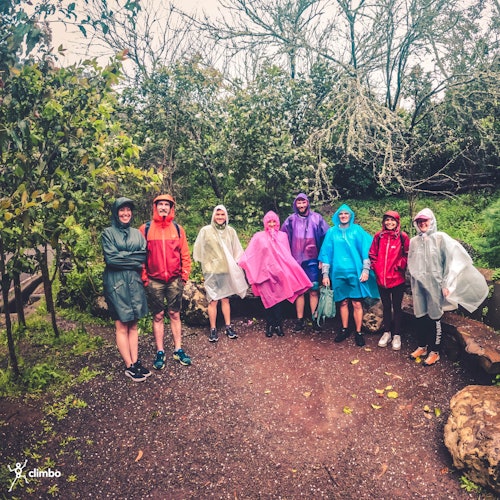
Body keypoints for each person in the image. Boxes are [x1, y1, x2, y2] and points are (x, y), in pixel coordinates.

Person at [407, 208, 489, 366]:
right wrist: (414, 279)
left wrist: (447, 284)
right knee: (420, 316)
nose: (422, 223)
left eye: (425, 220)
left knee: (435, 317)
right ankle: (422, 346)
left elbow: (451, 262)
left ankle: (435, 351)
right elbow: (411, 262)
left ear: (431, 221)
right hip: (418, 286)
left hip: (435, 285)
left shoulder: (440, 238)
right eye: (419, 221)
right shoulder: (414, 241)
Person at [238, 211, 312, 337]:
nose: (272, 224)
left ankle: (278, 325)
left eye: (274, 221)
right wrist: (244, 262)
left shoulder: (283, 236)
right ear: (265, 223)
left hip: (278, 274)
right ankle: (269, 324)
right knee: (267, 299)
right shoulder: (259, 237)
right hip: (264, 274)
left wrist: (288, 271)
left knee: (278, 300)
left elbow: (287, 255)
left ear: (278, 222)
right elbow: (252, 253)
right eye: (269, 222)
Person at [140, 194, 192, 369]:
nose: (163, 207)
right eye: (160, 204)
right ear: (155, 207)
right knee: (158, 316)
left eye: (166, 204)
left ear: (171, 208)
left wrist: (184, 276)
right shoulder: (145, 229)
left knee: (175, 314)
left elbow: (185, 254)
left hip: (174, 280)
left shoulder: (178, 229)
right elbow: (140, 256)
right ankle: (160, 351)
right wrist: (144, 278)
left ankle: (178, 349)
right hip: (154, 280)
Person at [102, 197, 151, 382]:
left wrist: (124, 257)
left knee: (134, 323)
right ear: (116, 213)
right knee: (122, 324)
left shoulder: (137, 234)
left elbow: (142, 257)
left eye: (128, 210)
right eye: (122, 210)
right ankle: (129, 365)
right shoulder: (108, 233)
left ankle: (136, 361)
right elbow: (111, 260)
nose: (125, 213)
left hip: (134, 282)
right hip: (116, 284)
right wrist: (132, 259)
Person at [319, 204, 380, 347]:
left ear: (350, 215)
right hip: (338, 273)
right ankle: (344, 329)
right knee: (343, 302)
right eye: (341, 214)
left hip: (355, 272)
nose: (343, 216)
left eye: (346, 213)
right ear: (337, 216)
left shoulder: (357, 231)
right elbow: (326, 253)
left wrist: (365, 270)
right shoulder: (332, 232)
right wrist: (325, 274)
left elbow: (365, 250)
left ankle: (358, 332)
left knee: (357, 303)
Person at [193, 205, 248, 342]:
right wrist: (206, 264)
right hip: (211, 271)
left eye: (222, 215)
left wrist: (237, 265)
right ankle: (213, 329)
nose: (220, 217)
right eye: (217, 214)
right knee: (213, 300)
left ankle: (228, 326)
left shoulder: (230, 231)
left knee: (225, 299)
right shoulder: (206, 231)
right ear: (213, 216)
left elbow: (237, 250)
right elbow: (199, 249)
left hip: (225, 270)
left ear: (226, 216)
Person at [281, 193, 330, 331]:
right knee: (299, 292)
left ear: (307, 203)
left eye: (303, 202)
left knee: (314, 290)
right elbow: (282, 238)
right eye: (299, 203)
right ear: (295, 204)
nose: (301, 205)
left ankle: (315, 319)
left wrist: (323, 258)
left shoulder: (317, 218)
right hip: (296, 261)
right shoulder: (291, 220)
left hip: (313, 261)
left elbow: (327, 238)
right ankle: (300, 320)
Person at [369, 211, 410, 351]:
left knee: (397, 307)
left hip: (397, 279)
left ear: (397, 222)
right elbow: (372, 254)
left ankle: (397, 334)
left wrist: (399, 265)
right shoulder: (379, 236)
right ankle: (387, 332)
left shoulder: (402, 237)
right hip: (382, 279)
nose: (389, 223)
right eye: (387, 220)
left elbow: (407, 254)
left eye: (392, 220)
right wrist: (376, 268)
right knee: (386, 306)